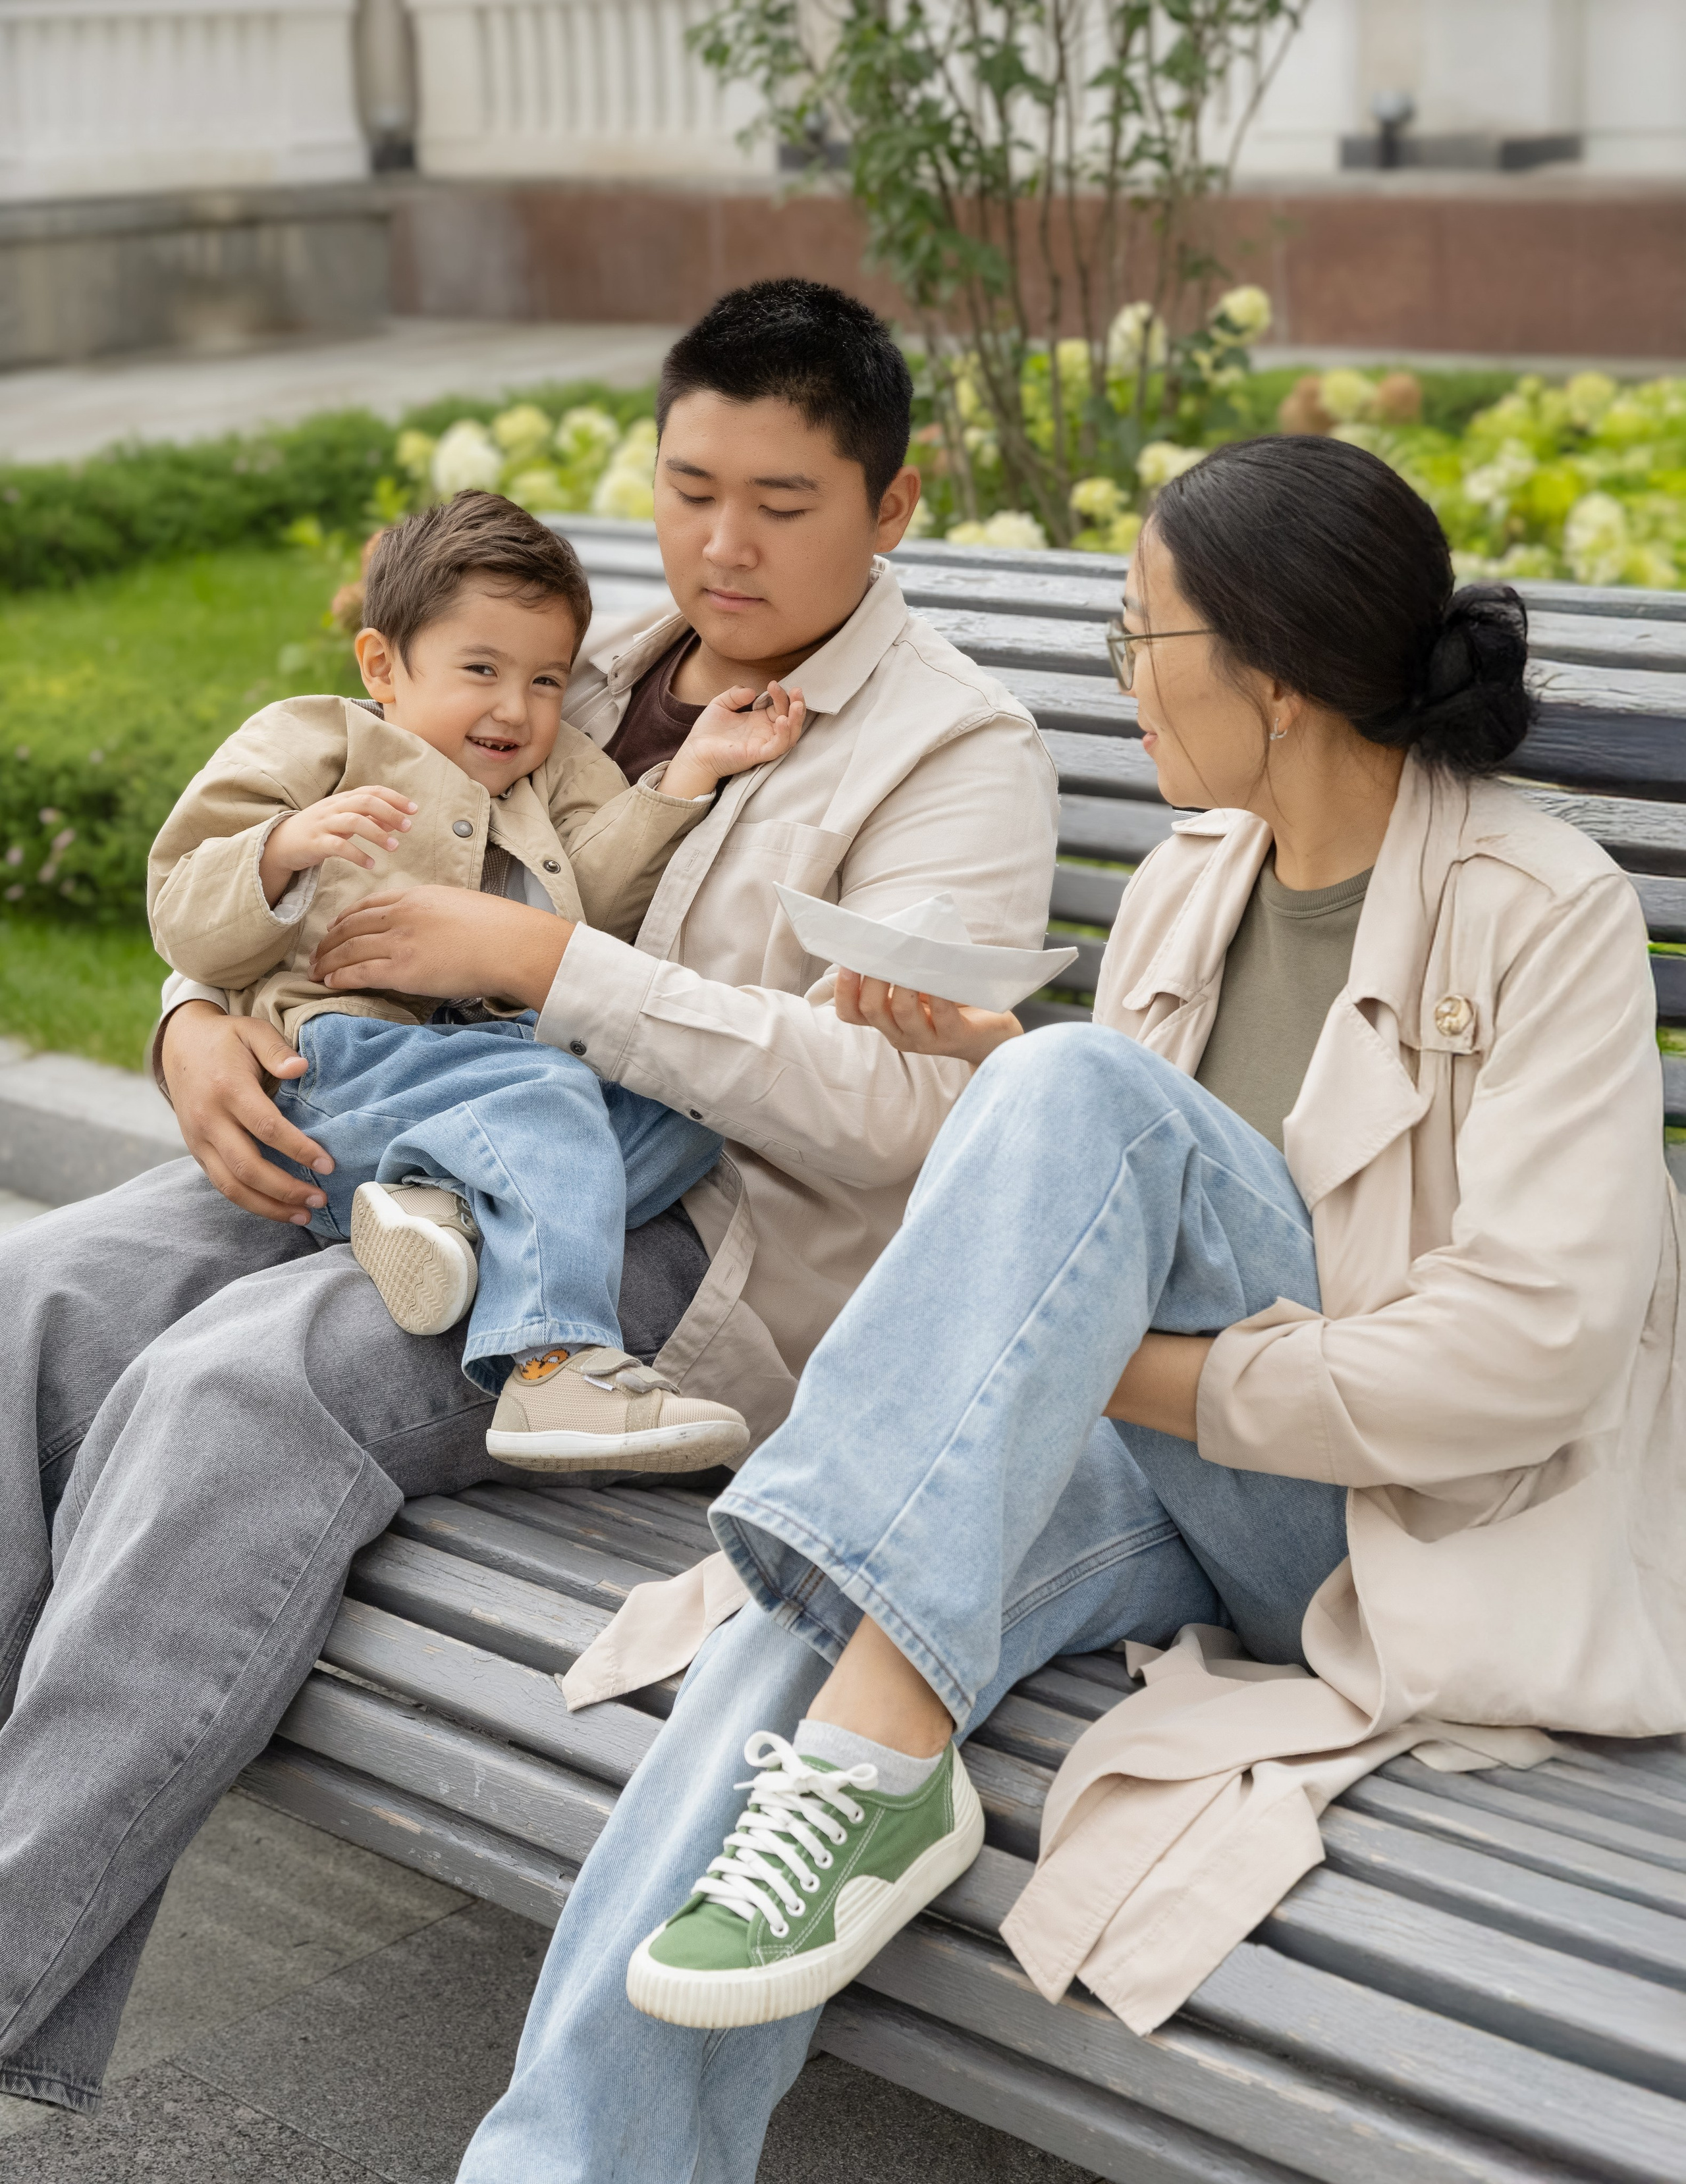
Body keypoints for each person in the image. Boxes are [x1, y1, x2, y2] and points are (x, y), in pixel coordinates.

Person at [458, 435, 1684, 2179]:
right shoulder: (1202, 863)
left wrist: (1112, 1348)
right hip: (1187, 1463)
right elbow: (1149, 1191)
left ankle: (873, 1757)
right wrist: (996, 1067)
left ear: (1271, 677)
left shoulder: (1540, 909)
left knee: (1066, 1128)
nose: (1122, 674)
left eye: (1143, 634)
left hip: (1394, 1519)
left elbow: (1528, 1353)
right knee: (810, 1634)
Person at [0, 278, 1057, 2117]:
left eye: (783, 504)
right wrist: (189, 1025)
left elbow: (909, 1109)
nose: (721, 545)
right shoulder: (588, 656)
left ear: (893, 507)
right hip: (407, 1129)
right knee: (43, 1296)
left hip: (678, 1245)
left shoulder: (955, 756)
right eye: (688, 485)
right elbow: (321, 841)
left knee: (245, 1388)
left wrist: (550, 964)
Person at [148, 488, 805, 1468]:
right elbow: (179, 907)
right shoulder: (313, 741)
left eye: (547, 680)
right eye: (482, 670)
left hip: (487, 1065)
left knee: (683, 1111)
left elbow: (603, 894)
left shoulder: (561, 774)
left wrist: (684, 776)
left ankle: (439, 1212)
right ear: (383, 665)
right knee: (545, 1096)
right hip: (339, 1064)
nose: (517, 708)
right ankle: (553, 1366)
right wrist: (280, 850)